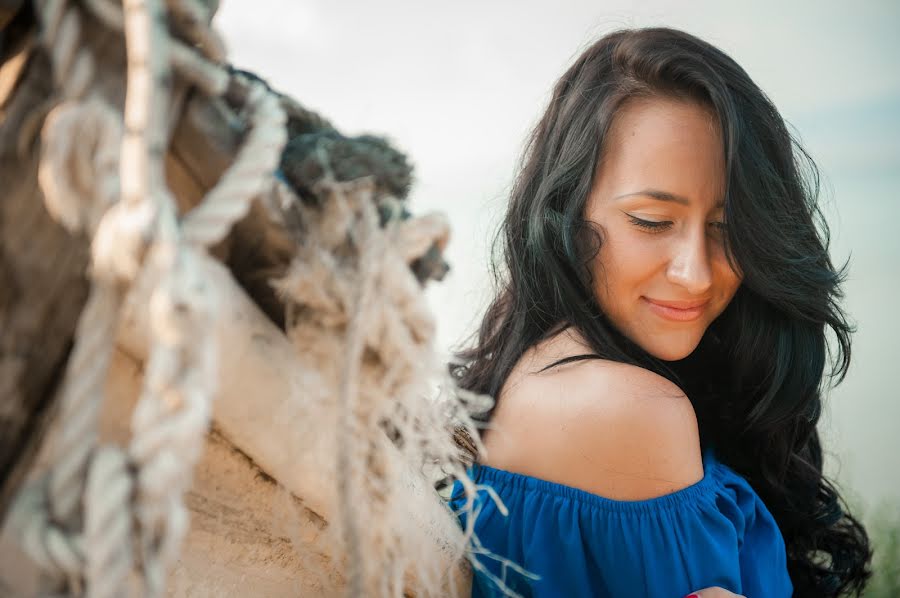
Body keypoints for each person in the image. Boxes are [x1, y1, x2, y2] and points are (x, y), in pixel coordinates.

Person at [446, 27, 872, 598]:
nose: (696, 273)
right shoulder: (632, 411)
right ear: (567, 212)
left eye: (728, 228)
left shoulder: (532, 351)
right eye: (651, 221)